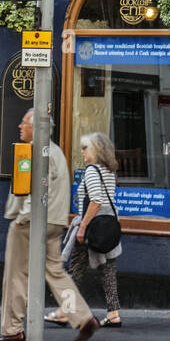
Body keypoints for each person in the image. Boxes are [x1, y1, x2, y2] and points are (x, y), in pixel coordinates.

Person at [0, 108, 99, 341]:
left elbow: (37, 188)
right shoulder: (56, 152)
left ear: (36, 128)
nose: (20, 127)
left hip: (32, 222)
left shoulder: (37, 153)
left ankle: (12, 329)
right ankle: (83, 317)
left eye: (24, 124)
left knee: (16, 276)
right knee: (56, 273)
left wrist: (23, 217)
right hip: (55, 221)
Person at [47, 132, 123, 328]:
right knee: (108, 270)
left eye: (85, 147)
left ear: (96, 150)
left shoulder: (91, 171)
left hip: (92, 227)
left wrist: (82, 227)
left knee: (76, 269)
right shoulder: (108, 170)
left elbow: (96, 201)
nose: (82, 151)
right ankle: (113, 314)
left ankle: (65, 312)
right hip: (108, 227)